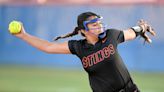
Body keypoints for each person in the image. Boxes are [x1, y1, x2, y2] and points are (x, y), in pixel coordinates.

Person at [11, 12, 155, 92]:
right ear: (83, 31)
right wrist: (24, 35)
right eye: (94, 24)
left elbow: (131, 31)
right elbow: (48, 47)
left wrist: (142, 28)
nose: (99, 26)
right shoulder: (78, 47)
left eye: (99, 23)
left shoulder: (112, 36)